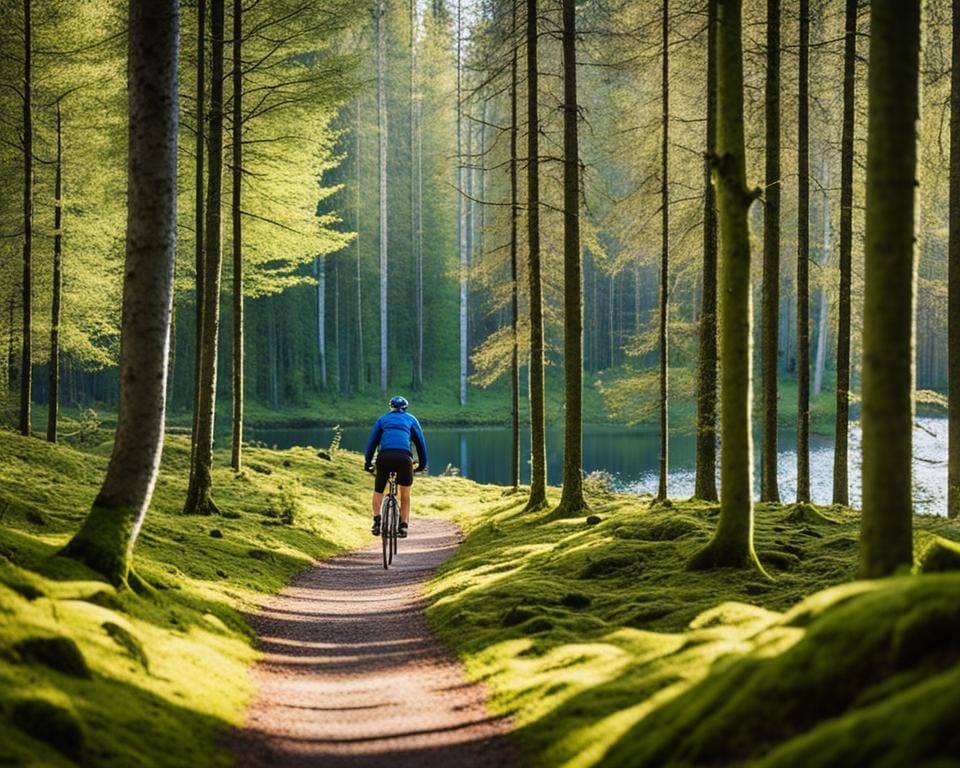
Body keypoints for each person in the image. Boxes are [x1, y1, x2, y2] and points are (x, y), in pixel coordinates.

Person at [364, 395, 428, 538]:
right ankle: (404, 526)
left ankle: (376, 520)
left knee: (378, 489)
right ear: (405, 408)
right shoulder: (411, 419)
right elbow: (420, 444)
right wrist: (422, 465)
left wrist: (368, 462)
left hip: (384, 457)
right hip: (404, 459)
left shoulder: (382, 419)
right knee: (405, 494)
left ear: (390, 407)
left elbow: (372, 443)